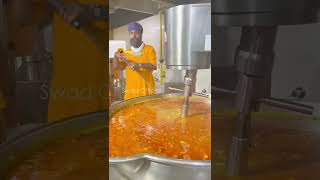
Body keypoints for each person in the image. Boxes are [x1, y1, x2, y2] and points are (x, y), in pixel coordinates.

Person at [113, 22, 157, 100]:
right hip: (130, 93)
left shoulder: (149, 49)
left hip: (146, 92)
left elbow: (153, 66)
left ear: (141, 34)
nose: (133, 36)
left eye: (136, 33)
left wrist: (139, 65)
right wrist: (115, 57)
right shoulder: (124, 51)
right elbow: (117, 68)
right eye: (131, 33)